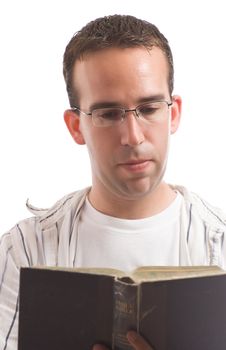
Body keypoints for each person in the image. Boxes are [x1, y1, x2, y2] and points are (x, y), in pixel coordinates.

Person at [0, 14, 226, 350]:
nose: (133, 137)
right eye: (109, 114)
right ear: (76, 126)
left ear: (173, 113)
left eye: (149, 108)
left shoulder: (221, 247)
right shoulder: (24, 251)